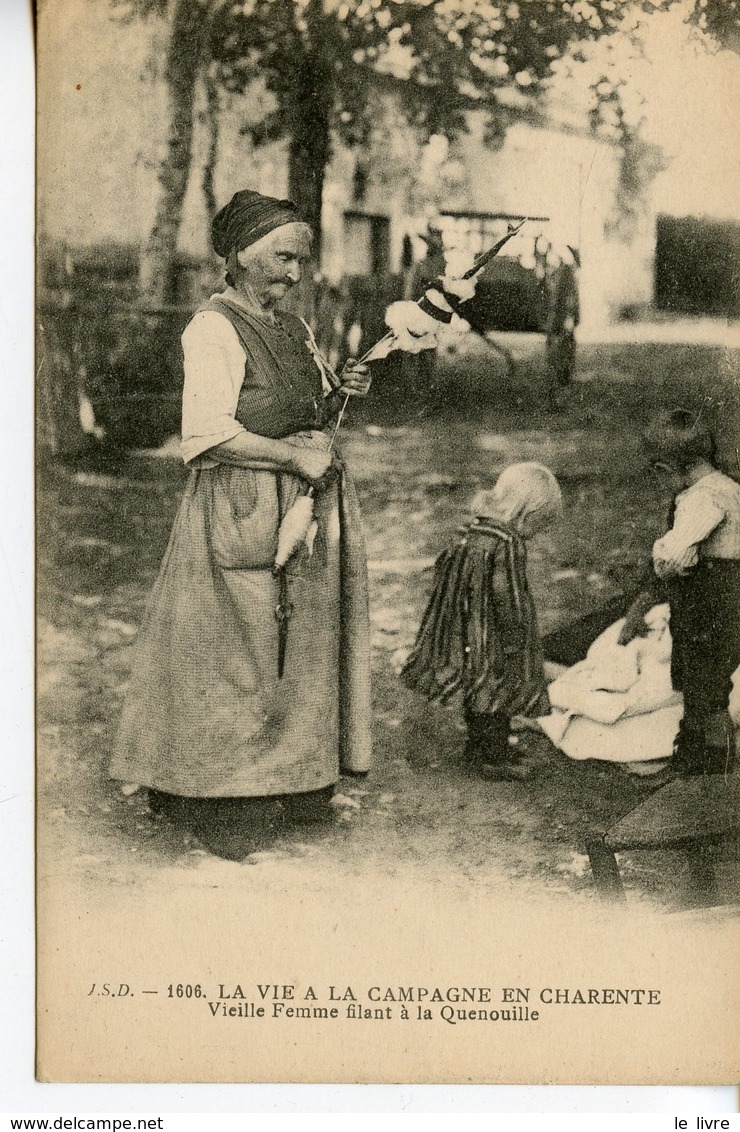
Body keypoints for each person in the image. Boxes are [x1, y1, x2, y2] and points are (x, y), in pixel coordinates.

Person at [110, 189, 373, 859]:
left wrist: (341, 390)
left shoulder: (294, 326)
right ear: (240, 255)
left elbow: (302, 409)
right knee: (235, 655)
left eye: (302, 261)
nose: (294, 275)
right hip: (241, 505)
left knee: (296, 649)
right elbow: (205, 433)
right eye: (283, 259)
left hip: (301, 505)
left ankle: (291, 780)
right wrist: (295, 458)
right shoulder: (214, 326)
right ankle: (218, 797)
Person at [401, 462, 563, 780]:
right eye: (539, 525)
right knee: (496, 689)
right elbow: (508, 593)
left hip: (464, 628)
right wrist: (517, 634)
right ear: (526, 513)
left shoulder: (471, 529)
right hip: (493, 634)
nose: (536, 534)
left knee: (477, 688)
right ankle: (492, 756)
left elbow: (444, 569)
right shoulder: (508, 543)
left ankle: (481, 748)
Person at [619, 409, 740, 776]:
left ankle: (711, 763)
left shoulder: (701, 499)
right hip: (727, 598)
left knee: (706, 687)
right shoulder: (731, 488)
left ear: (665, 470)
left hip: (710, 602)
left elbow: (676, 554)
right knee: (707, 683)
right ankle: (696, 751)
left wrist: (662, 555)